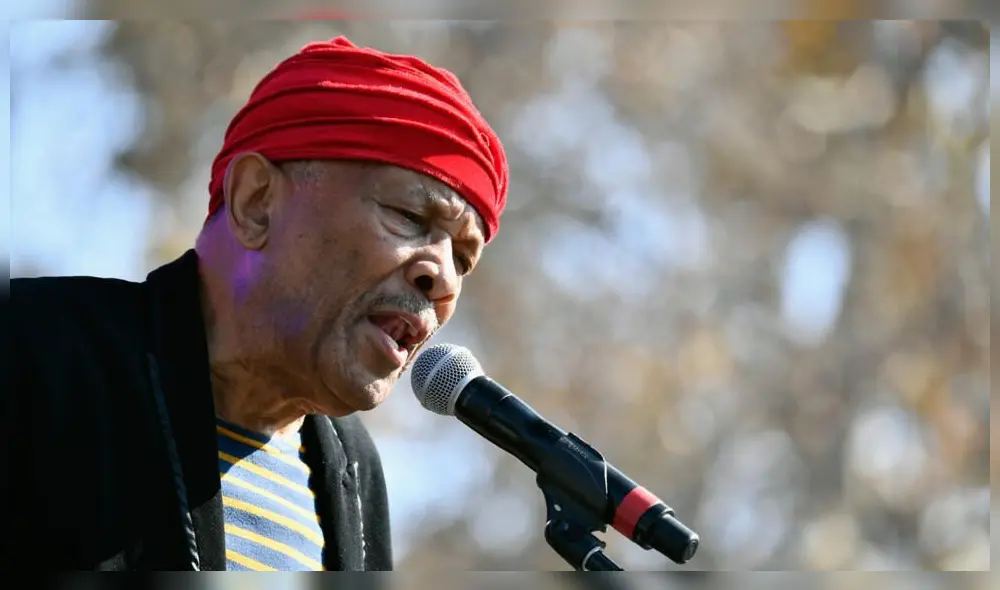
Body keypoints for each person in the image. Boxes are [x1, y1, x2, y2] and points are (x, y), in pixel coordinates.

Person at [2, 36, 509, 571]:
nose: (443, 278)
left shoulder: (356, 477)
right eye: (408, 217)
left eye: (463, 258)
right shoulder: (36, 349)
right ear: (256, 201)